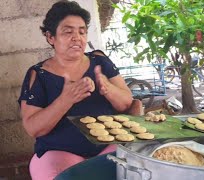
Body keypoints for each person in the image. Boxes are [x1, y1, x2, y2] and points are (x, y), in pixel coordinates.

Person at [18, 1, 133, 179]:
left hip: (108, 148)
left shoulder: (100, 61)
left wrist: (108, 89)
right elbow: (33, 128)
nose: (77, 38)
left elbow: (127, 103)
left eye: (82, 31)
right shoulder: (38, 74)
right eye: (68, 32)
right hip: (59, 154)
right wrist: (65, 100)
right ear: (50, 37)